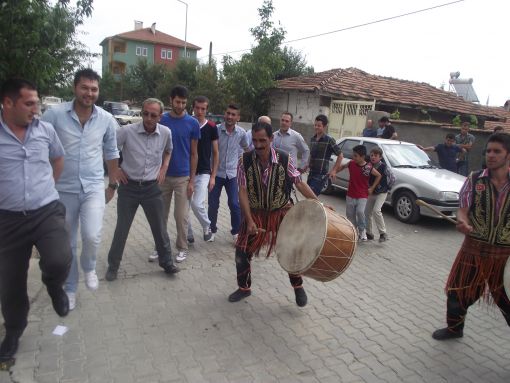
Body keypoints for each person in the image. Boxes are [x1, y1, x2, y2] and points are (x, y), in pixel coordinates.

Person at [0, 79, 72, 366]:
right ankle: (14, 331)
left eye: (37, 103)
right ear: (8, 103)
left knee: (59, 258)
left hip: (46, 210)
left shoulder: (45, 130)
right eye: (29, 103)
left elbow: (58, 159)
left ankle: (54, 285)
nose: (36, 109)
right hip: (7, 220)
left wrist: (47, 189)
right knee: (10, 283)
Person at [42, 69, 119, 310]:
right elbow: (39, 146)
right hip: (61, 189)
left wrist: (113, 184)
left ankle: (90, 266)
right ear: (75, 88)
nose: (89, 93)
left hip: (94, 186)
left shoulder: (106, 118)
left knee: (92, 234)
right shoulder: (54, 115)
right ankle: (71, 288)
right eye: (85, 88)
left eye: (94, 89)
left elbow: (112, 152)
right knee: (68, 244)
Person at [228, 122, 320, 306]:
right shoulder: (244, 160)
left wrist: (318, 203)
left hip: (280, 212)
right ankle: (244, 288)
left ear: (271, 139)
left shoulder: (284, 159)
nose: (258, 144)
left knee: (291, 249)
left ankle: (298, 286)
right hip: (254, 213)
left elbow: (299, 183)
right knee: (241, 251)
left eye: (263, 140)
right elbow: (243, 191)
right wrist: (248, 219)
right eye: (254, 140)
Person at [432, 133, 510, 340]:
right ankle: (454, 329)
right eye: (488, 151)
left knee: (507, 301)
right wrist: (462, 221)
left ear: (508, 155)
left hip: (504, 255)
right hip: (473, 249)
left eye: (497, 151)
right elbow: (463, 209)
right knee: (458, 292)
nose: (491, 155)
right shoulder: (475, 178)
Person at [105, 98, 179, 281]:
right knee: (122, 228)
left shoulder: (166, 133)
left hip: (152, 188)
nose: (148, 118)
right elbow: (108, 148)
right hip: (128, 188)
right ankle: (113, 266)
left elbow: (169, 150)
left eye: (153, 115)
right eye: (145, 114)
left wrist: (164, 168)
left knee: (160, 228)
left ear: (160, 117)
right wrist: (116, 170)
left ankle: (167, 262)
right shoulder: (126, 131)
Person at [154, 85, 200, 263]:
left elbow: (194, 153)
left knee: (181, 215)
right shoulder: (162, 120)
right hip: (162, 176)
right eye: (177, 102)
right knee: (160, 214)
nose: (180, 105)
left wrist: (192, 180)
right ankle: (160, 247)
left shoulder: (193, 123)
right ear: (170, 100)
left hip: (183, 176)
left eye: (183, 102)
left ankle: (182, 247)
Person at [208, 104, 250, 243]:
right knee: (213, 204)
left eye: (233, 114)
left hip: (232, 174)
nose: (230, 116)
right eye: (228, 113)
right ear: (224, 114)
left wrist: (246, 163)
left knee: (234, 203)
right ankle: (211, 229)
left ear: (238, 117)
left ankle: (236, 231)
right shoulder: (215, 130)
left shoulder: (242, 133)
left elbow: (246, 147)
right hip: (216, 173)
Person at [186, 96, 219, 244]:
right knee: (184, 208)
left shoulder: (211, 127)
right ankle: (188, 234)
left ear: (207, 109)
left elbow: (216, 152)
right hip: (185, 172)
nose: (200, 111)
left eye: (203, 108)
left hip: (204, 171)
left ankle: (207, 226)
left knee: (197, 203)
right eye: (197, 108)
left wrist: (213, 176)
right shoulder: (187, 124)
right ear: (193, 107)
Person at [336, 145, 381, 241]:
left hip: (362, 195)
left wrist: (372, 188)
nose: (353, 157)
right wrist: (334, 172)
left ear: (363, 157)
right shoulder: (351, 163)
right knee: (350, 215)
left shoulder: (368, 167)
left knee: (360, 212)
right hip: (350, 195)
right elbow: (342, 167)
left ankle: (362, 231)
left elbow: (378, 175)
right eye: (353, 155)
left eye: (356, 156)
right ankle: (353, 232)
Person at [306, 114, 343, 196]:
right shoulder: (313, 139)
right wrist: (307, 165)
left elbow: (340, 155)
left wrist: (334, 170)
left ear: (325, 126)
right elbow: (311, 155)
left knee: (312, 196)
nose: (316, 127)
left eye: (319, 126)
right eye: (315, 125)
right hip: (311, 172)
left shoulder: (329, 140)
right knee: (308, 196)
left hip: (321, 174)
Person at [365, 147, 390, 242]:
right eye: (371, 155)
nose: (373, 157)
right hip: (372, 192)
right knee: (367, 212)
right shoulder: (368, 165)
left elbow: (389, 180)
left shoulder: (383, 167)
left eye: (375, 156)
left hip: (381, 193)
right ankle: (369, 233)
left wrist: (383, 188)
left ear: (380, 157)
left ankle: (383, 233)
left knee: (376, 211)